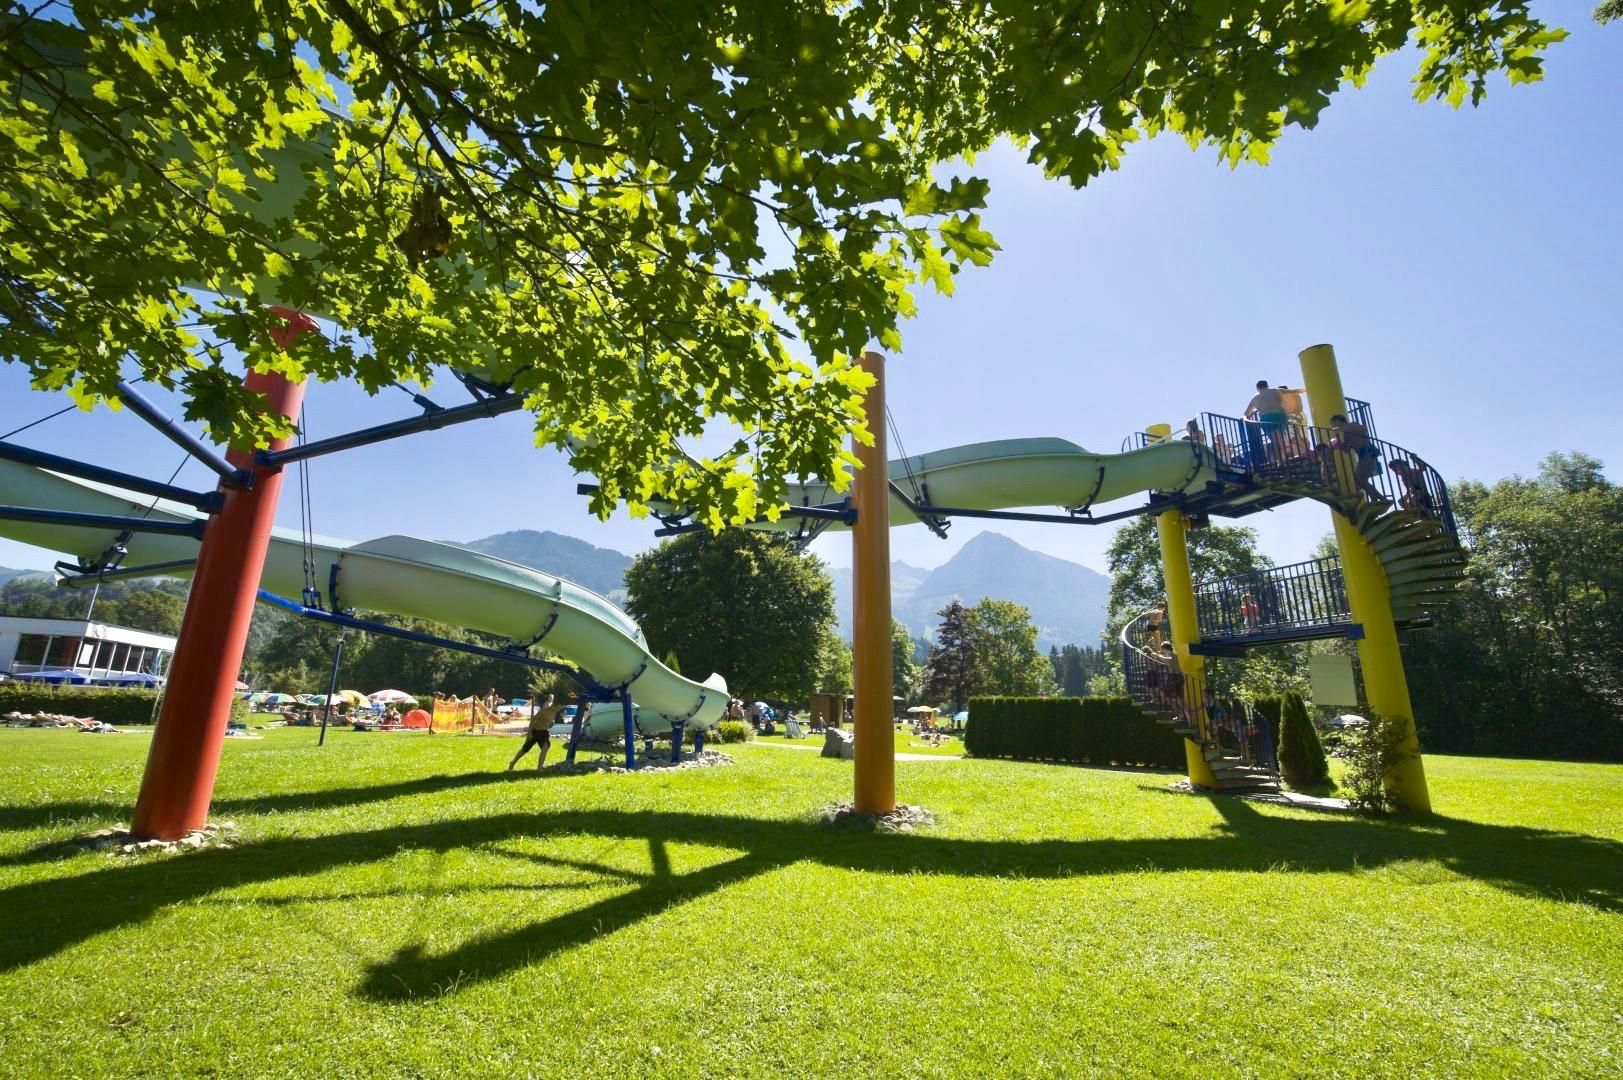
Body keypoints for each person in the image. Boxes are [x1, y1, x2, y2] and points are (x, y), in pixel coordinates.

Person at [1329, 413, 1386, 503]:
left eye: (1332, 423)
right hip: (1363, 454)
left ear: (1337, 421)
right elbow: (1347, 449)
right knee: (1361, 480)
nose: (1332, 426)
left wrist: (1343, 435)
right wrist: (1339, 444)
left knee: (1361, 480)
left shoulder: (1351, 426)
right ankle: (1375, 499)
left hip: (1367, 452)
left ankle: (1382, 499)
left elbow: (1363, 429)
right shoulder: (1345, 431)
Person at [508, 692, 565, 771]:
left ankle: (539, 768)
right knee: (525, 750)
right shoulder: (544, 711)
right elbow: (533, 720)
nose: (561, 708)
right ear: (555, 705)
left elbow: (549, 722)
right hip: (535, 731)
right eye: (560, 706)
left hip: (544, 732)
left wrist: (550, 724)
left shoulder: (555, 712)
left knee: (545, 748)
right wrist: (529, 733)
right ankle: (512, 763)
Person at [1243, 380, 1287, 465]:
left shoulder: (1256, 397)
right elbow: (1295, 391)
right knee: (1280, 439)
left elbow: (1246, 413)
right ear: (1267, 386)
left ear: (1258, 388)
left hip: (1267, 418)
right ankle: (1283, 457)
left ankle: (1280, 461)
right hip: (1281, 415)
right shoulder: (1276, 391)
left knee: (1275, 440)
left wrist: (1247, 418)